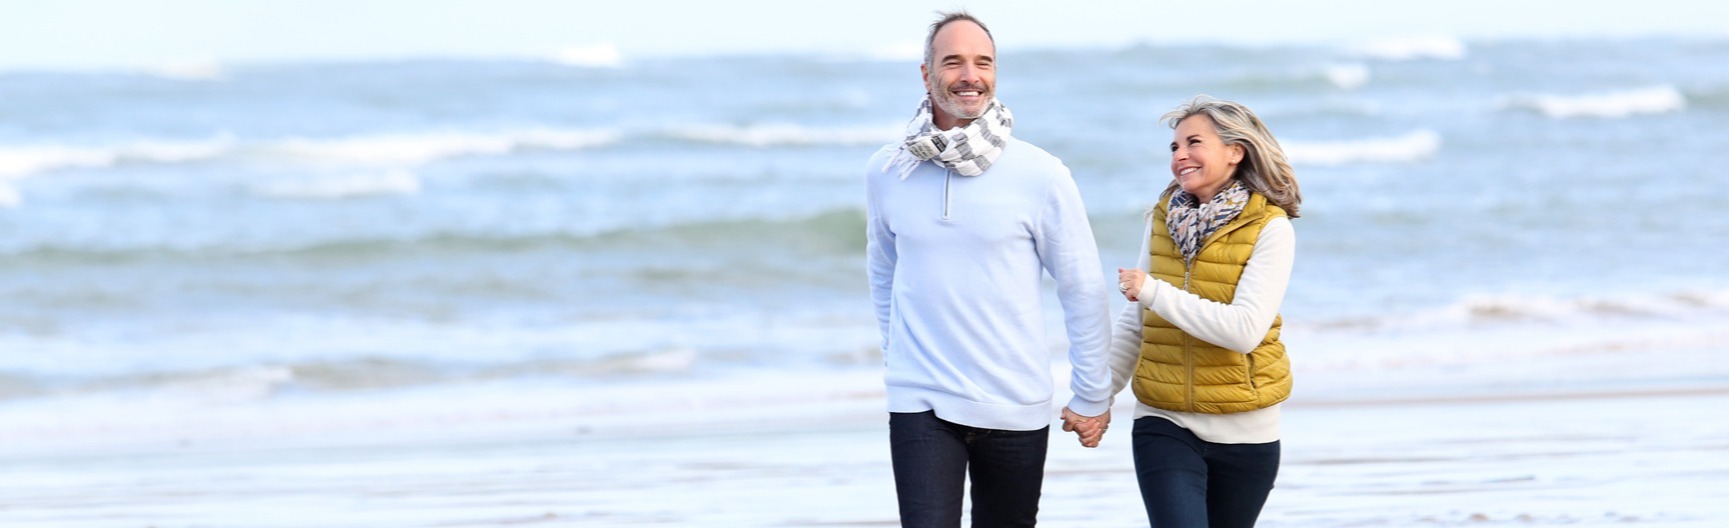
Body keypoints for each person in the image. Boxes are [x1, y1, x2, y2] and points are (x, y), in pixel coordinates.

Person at [863, 10, 1114, 527]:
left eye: (983, 62)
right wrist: (897, 357)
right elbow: (883, 271)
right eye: (953, 61)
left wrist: (1091, 393)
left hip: (1014, 400)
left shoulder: (1040, 173)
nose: (970, 75)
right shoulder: (889, 170)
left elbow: (1082, 286)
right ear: (926, 73)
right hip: (921, 398)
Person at [1106, 95, 1303, 527]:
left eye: (1194, 143)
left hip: (1247, 431)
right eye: (1174, 148)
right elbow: (1135, 322)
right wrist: (1097, 397)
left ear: (1236, 151)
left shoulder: (1270, 227)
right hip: (1164, 419)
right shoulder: (1161, 218)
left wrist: (1155, 292)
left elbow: (1244, 331)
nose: (1180, 156)